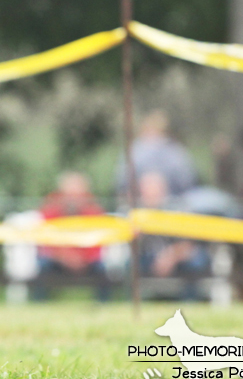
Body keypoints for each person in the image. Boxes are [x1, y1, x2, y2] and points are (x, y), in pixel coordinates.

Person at [36, 172, 109, 301]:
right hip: (58, 261)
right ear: (61, 195)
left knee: (102, 268)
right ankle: (38, 304)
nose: (73, 199)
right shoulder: (50, 213)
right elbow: (45, 242)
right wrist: (64, 257)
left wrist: (82, 259)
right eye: (69, 195)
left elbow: (99, 243)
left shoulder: (95, 214)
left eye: (77, 195)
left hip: (87, 262)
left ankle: (104, 305)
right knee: (43, 265)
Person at [137, 172, 209, 299]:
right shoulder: (139, 213)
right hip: (150, 258)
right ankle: (140, 299)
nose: (149, 195)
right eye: (145, 191)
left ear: (162, 191)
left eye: (152, 190)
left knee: (196, 262)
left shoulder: (176, 210)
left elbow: (188, 244)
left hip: (178, 256)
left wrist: (169, 258)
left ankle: (190, 301)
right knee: (129, 264)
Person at [116, 110, 198, 197]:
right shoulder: (134, 150)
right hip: (139, 202)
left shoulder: (175, 151)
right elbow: (122, 182)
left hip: (172, 201)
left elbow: (187, 181)